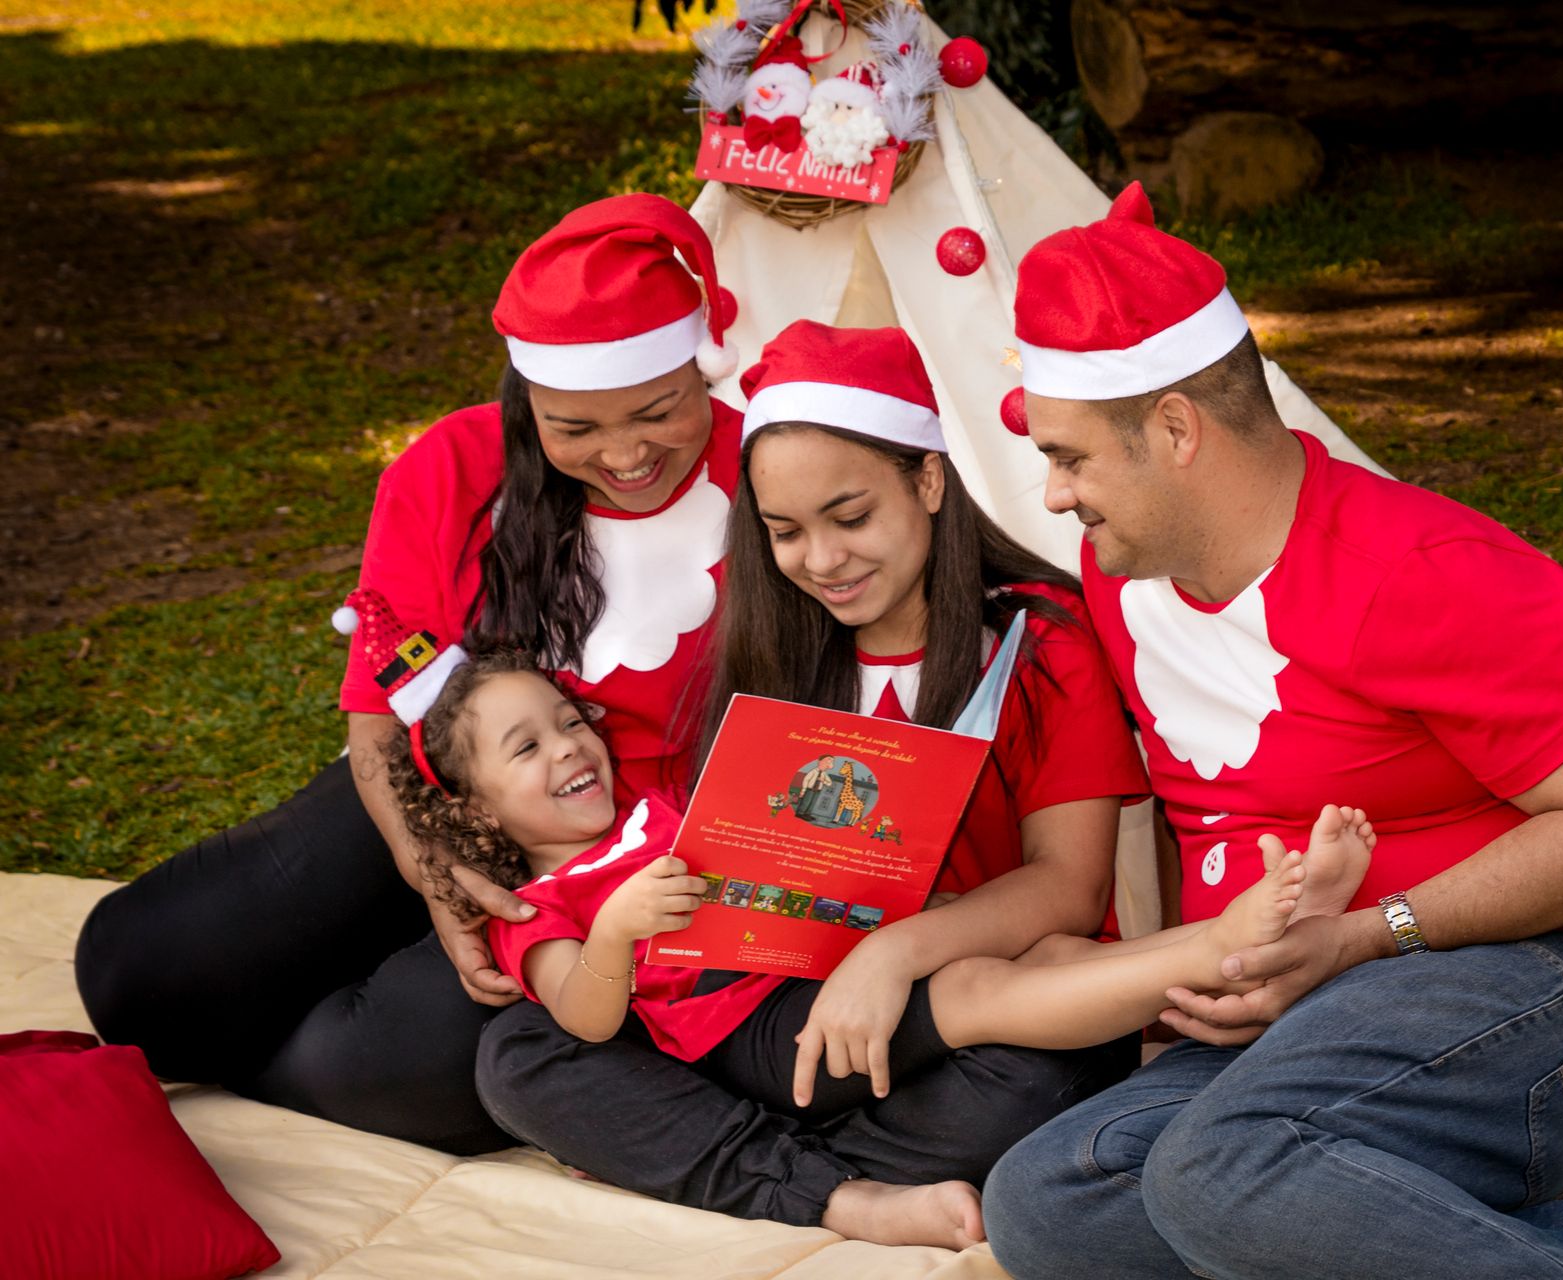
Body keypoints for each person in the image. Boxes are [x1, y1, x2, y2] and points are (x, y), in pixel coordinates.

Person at [980, 185, 1563, 1280]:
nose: (1056, 491)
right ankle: (1534, 1248)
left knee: (1216, 1171)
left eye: (1071, 457)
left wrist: (1365, 934)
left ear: (1175, 427)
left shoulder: (1419, 570)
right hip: (1297, 1022)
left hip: (1532, 987)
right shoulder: (1119, 575)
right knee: (1046, 1199)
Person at [72, 194, 747, 1153]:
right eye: (576, 428)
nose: (627, 453)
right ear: (529, 402)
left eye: (659, 410)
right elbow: (379, 720)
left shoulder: (766, 474)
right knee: (138, 974)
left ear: (701, 367)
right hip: (435, 796)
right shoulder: (448, 469)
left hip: (598, 864)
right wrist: (429, 870)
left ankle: (272, 1075)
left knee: (400, 1080)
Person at [476, 321, 1154, 1248]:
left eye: (851, 517)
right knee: (521, 1052)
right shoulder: (780, 645)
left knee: (1036, 1077)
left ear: (927, 481)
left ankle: (713, 1156)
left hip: (963, 1005)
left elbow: (1069, 890)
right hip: (782, 1015)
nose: (822, 561)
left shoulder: (1041, 644)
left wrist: (891, 955)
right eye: (785, 532)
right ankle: (827, 1182)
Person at [391, 645, 1372, 1247]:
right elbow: (585, 1014)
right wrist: (614, 929)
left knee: (1034, 965)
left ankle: (1229, 941)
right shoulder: (548, 905)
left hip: (814, 977)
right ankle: (1219, 949)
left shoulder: (658, 810)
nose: (568, 745)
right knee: (988, 986)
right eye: (527, 746)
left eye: (569, 720)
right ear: (476, 808)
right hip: (767, 1035)